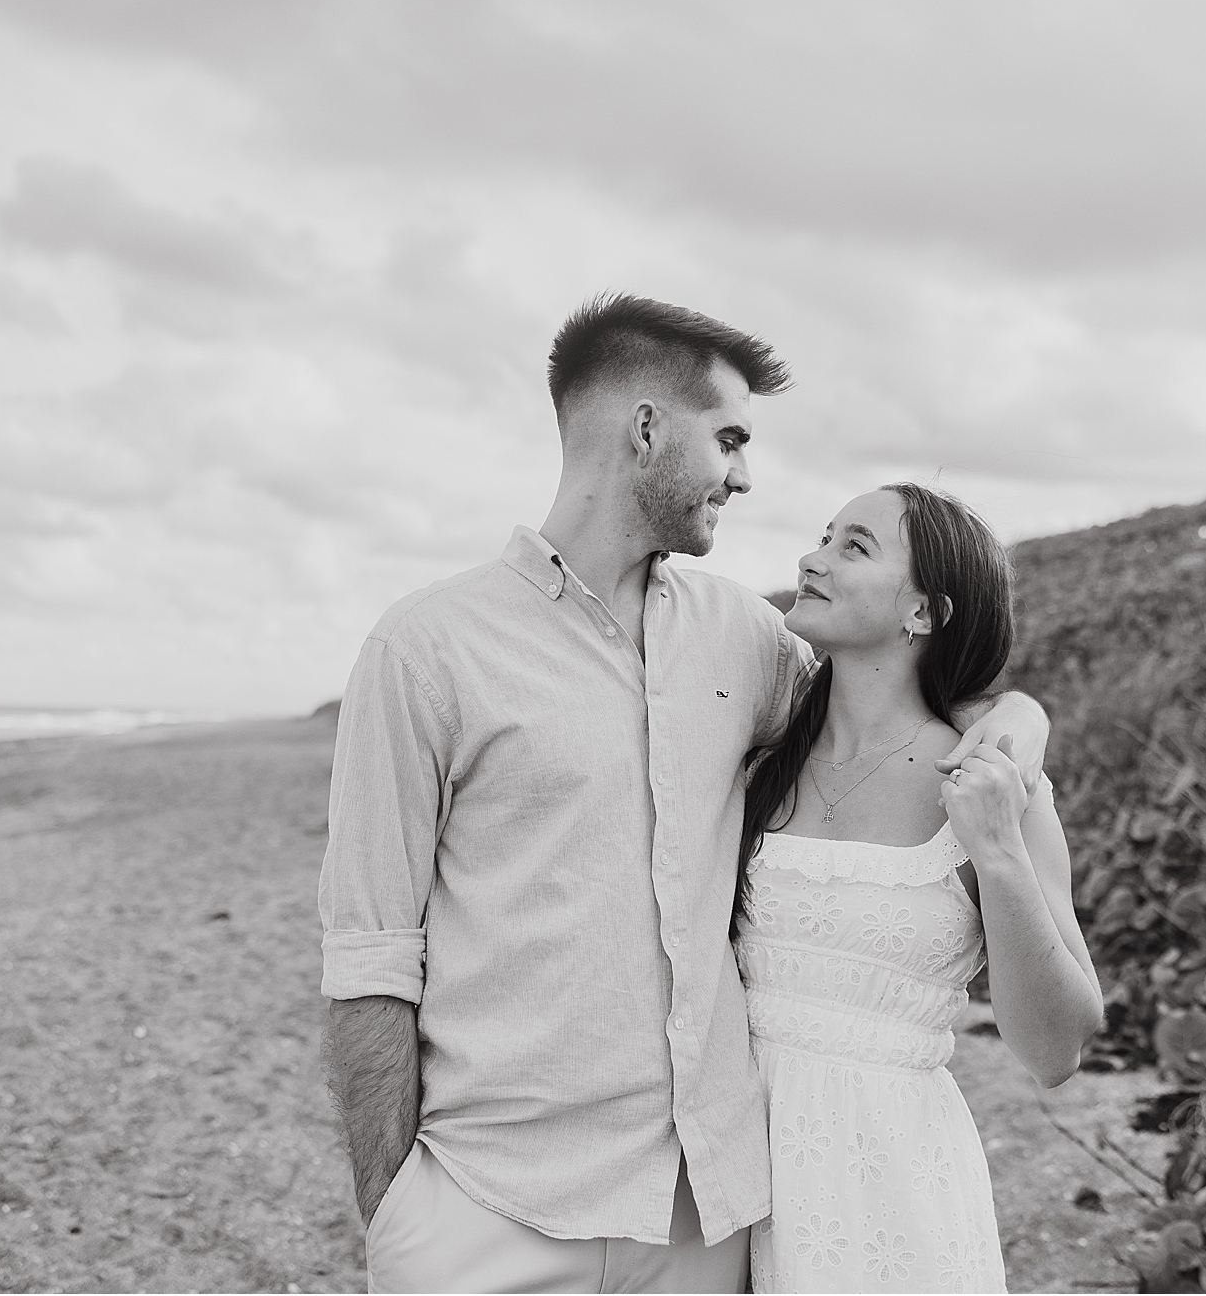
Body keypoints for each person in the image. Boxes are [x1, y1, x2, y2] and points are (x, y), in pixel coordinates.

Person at [317, 294, 1051, 1294]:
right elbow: (370, 955)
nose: (745, 477)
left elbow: (898, 705)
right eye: (730, 439)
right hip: (489, 1210)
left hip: (702, 1220)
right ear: (647, 429)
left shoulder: (743, 637)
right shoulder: (425, 648)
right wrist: (396, 1207)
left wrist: (1019, 721)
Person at [734, 483, 1103, 1293]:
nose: (813, 557)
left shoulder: (995, 786)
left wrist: (1000, 854)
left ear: (924, 614)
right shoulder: (754, 761)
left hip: (894, 1197)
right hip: (730, 1188)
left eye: (853, 546)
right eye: (823, 535)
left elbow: (1058, 1050)